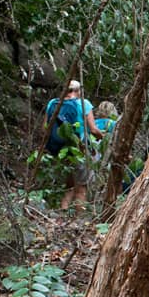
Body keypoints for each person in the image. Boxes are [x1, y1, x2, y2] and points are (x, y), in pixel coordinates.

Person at [44, 80, 104, 211]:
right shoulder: (84, 104)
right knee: (82, 187)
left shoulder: (52, 103)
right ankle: (79, 220)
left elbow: (45, 127)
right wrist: (103, 137)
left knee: (70, 184)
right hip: (79, 149)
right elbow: (93, 130)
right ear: (78, 91)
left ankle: (63, 210)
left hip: (60, 150)